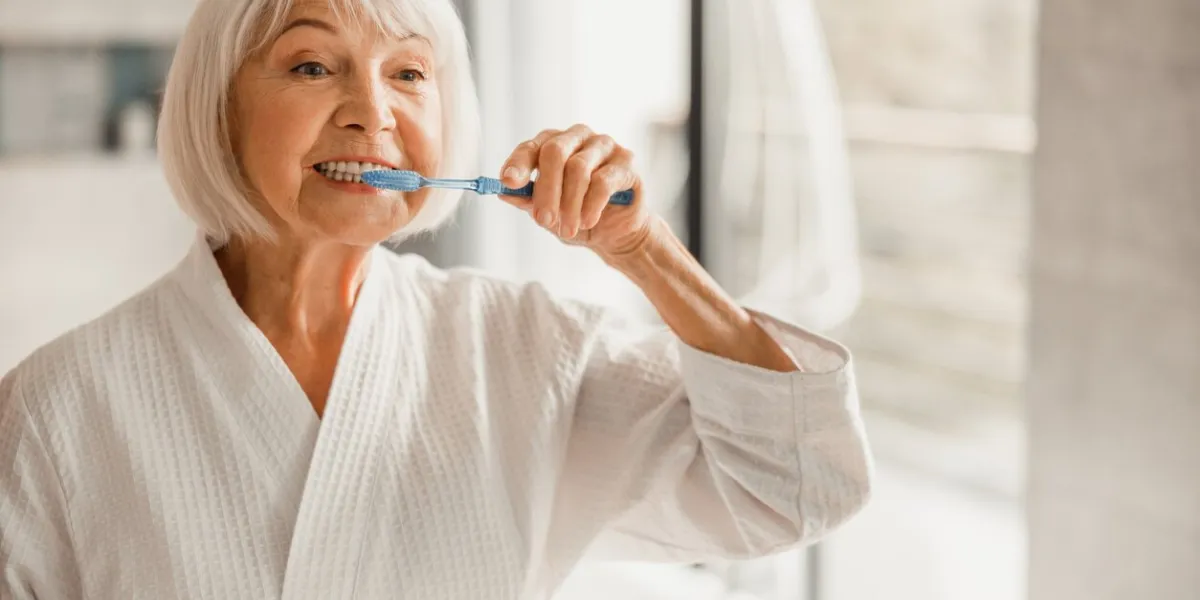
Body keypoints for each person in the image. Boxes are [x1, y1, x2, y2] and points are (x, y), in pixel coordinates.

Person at [0, 0, 873, 598]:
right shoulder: (55, 405)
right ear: (217, 107)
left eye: (409, 75)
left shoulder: (527, 349)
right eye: (312, 65)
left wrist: (645, 252)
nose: (371, 113)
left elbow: (800, 488)